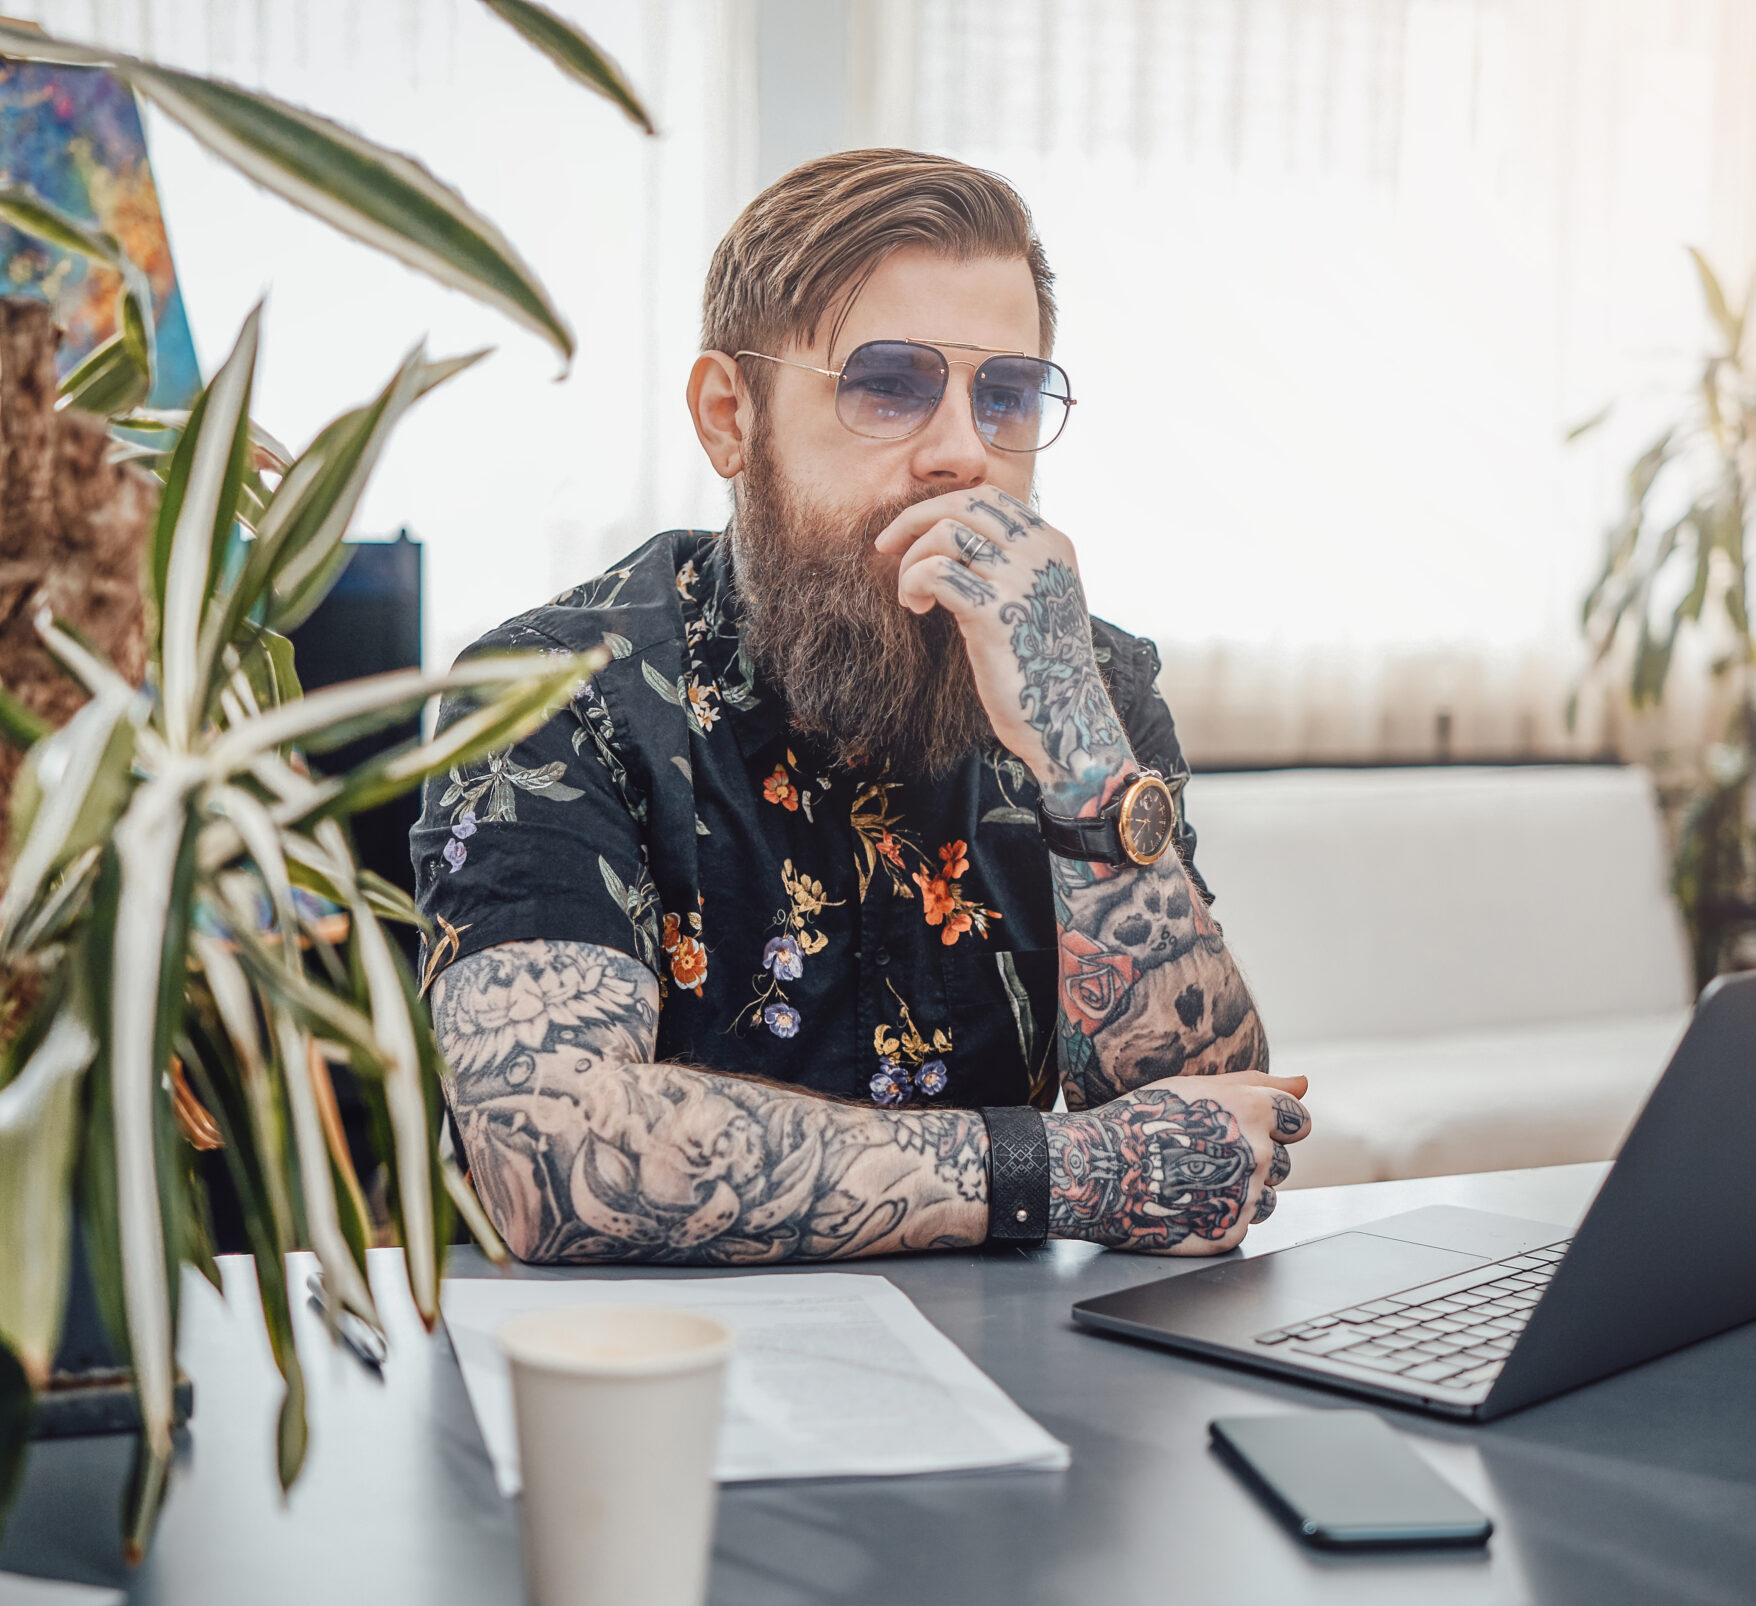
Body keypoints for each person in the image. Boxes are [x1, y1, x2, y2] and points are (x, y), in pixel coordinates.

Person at [413, 148, 1309, 1264]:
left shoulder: (1085, 679)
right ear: (728, 416)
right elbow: (547, 1159)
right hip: (641, 1389)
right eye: (889, 384)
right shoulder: (544, 694)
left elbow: (1206, 1146)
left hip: (1020, 1377)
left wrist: (1077, 744)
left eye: (1007, 395)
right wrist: (1061, 1170)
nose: (962, 453)